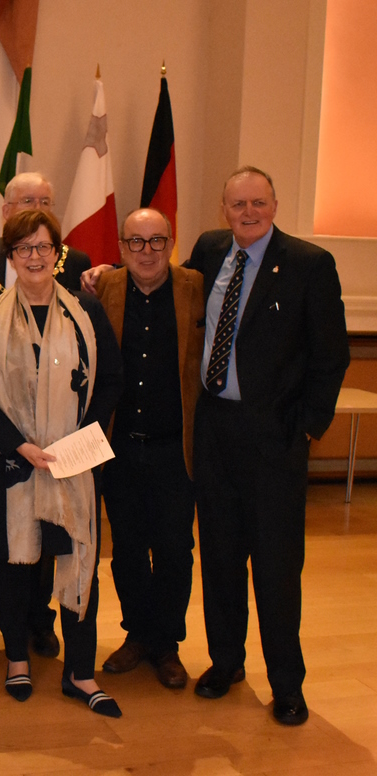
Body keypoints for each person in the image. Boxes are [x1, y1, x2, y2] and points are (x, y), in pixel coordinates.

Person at [188, 167, 349, 725]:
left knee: (277, 568)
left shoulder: (309, 264)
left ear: (275, 205)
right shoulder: (209, 251)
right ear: (223, 209)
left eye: (258, 202)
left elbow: (331, 356)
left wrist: (307, 427)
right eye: (238, 204)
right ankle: (226, 661)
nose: (248, 212)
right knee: (221, 557)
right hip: (213, 433)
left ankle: (287, 683)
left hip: (274, 439)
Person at [0, 208, 123, 714]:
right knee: (13, 562)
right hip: (12, 463)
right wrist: (19, 445)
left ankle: (79, 672)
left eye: (44, 247)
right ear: (11, 256)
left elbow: (109, 381)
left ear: (58, 254)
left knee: (78, 559)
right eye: (24, 248)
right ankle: (16, 660)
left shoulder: (86, 312)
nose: (35, 256)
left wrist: (76, 446)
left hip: (74, 462)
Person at [0, 171, 92, 655]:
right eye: (25, 199)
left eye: (44, 201)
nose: (34, 254)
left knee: (50, 528)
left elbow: (93, 362)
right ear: (5, 209)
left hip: (59, 438)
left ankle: (39, 618)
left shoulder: (76, 265)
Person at [94, 208, 204, 689]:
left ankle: (166, 643)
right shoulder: (104, 290)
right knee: (128, 549)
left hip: (174, 448)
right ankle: (137, 634)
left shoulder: (196, 288)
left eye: (156, 241)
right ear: (121, 248)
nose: (146, 251)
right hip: (118, 446)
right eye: (135, 242)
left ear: (171, 243)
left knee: (176, 549)